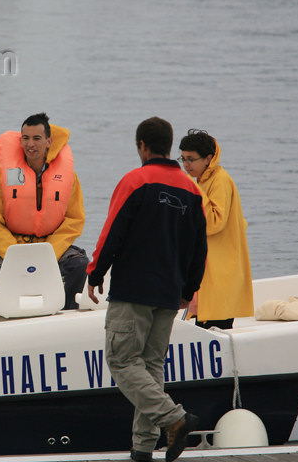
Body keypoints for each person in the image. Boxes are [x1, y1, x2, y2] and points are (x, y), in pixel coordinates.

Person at [86, 117, 208, 462]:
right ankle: (142, 449)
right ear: (169, 147)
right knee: (151, 369)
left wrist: (95, 273)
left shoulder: (135, 181)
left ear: (142, 146)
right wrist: (189, 289)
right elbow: (200, 248)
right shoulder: (192, 189)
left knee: (122, 361)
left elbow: (113, 232)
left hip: (133, 291)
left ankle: (176, 419)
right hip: (170, 293)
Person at [0, 112, 88, 309]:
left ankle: (66, 312)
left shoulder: (68, 177)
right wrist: (14, 252)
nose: (31, 144)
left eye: (37, 138)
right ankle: (11, 317)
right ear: (20, 141)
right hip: (11, 245)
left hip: (50, 245)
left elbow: (74, 220)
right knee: (0, 275)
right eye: (26, 138)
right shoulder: (1, 174)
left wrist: (48, 252)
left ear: (48, 141)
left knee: (80, 264)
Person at [178, 129, 253, 329]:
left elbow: (214, 223)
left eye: (191, 159)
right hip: (211, 268)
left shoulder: (219, 180)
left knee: (214, 327)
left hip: (221, 271)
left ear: (208, 158)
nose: (186, 165)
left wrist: (195, 191)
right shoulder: (205, 180)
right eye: (183, 158)